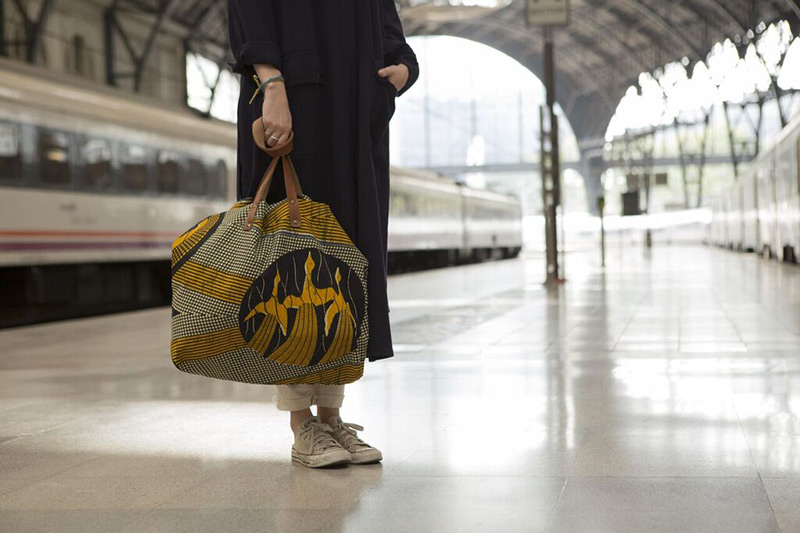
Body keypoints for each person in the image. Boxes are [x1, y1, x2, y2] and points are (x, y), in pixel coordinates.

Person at [227, 1, 419, 468]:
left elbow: (388, 24)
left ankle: (331, 418)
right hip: (294, 104)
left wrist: (403, 69)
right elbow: (249, 11)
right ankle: (302, 425)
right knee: (291, 266)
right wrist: (272, 86)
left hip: (354, 118)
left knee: (343, 266)